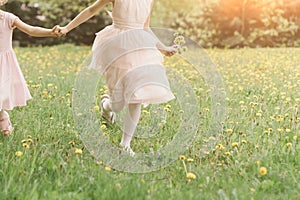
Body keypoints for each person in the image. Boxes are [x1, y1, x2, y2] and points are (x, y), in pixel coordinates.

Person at [55, 0, 177, 156]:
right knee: (118, 104)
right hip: (116, 46)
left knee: (136, 96)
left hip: (140, 47)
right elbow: (91, 10)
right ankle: (106, 106)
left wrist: (163, 48)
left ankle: (125, 144)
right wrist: (66, 28)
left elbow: (146, 27)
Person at [0, 0, 59, 136]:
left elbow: (31, 30)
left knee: (1, 92)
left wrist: (50, 32)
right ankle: (3, 116)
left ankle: (3, 116)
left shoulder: (8, 18)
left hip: (3, 62)